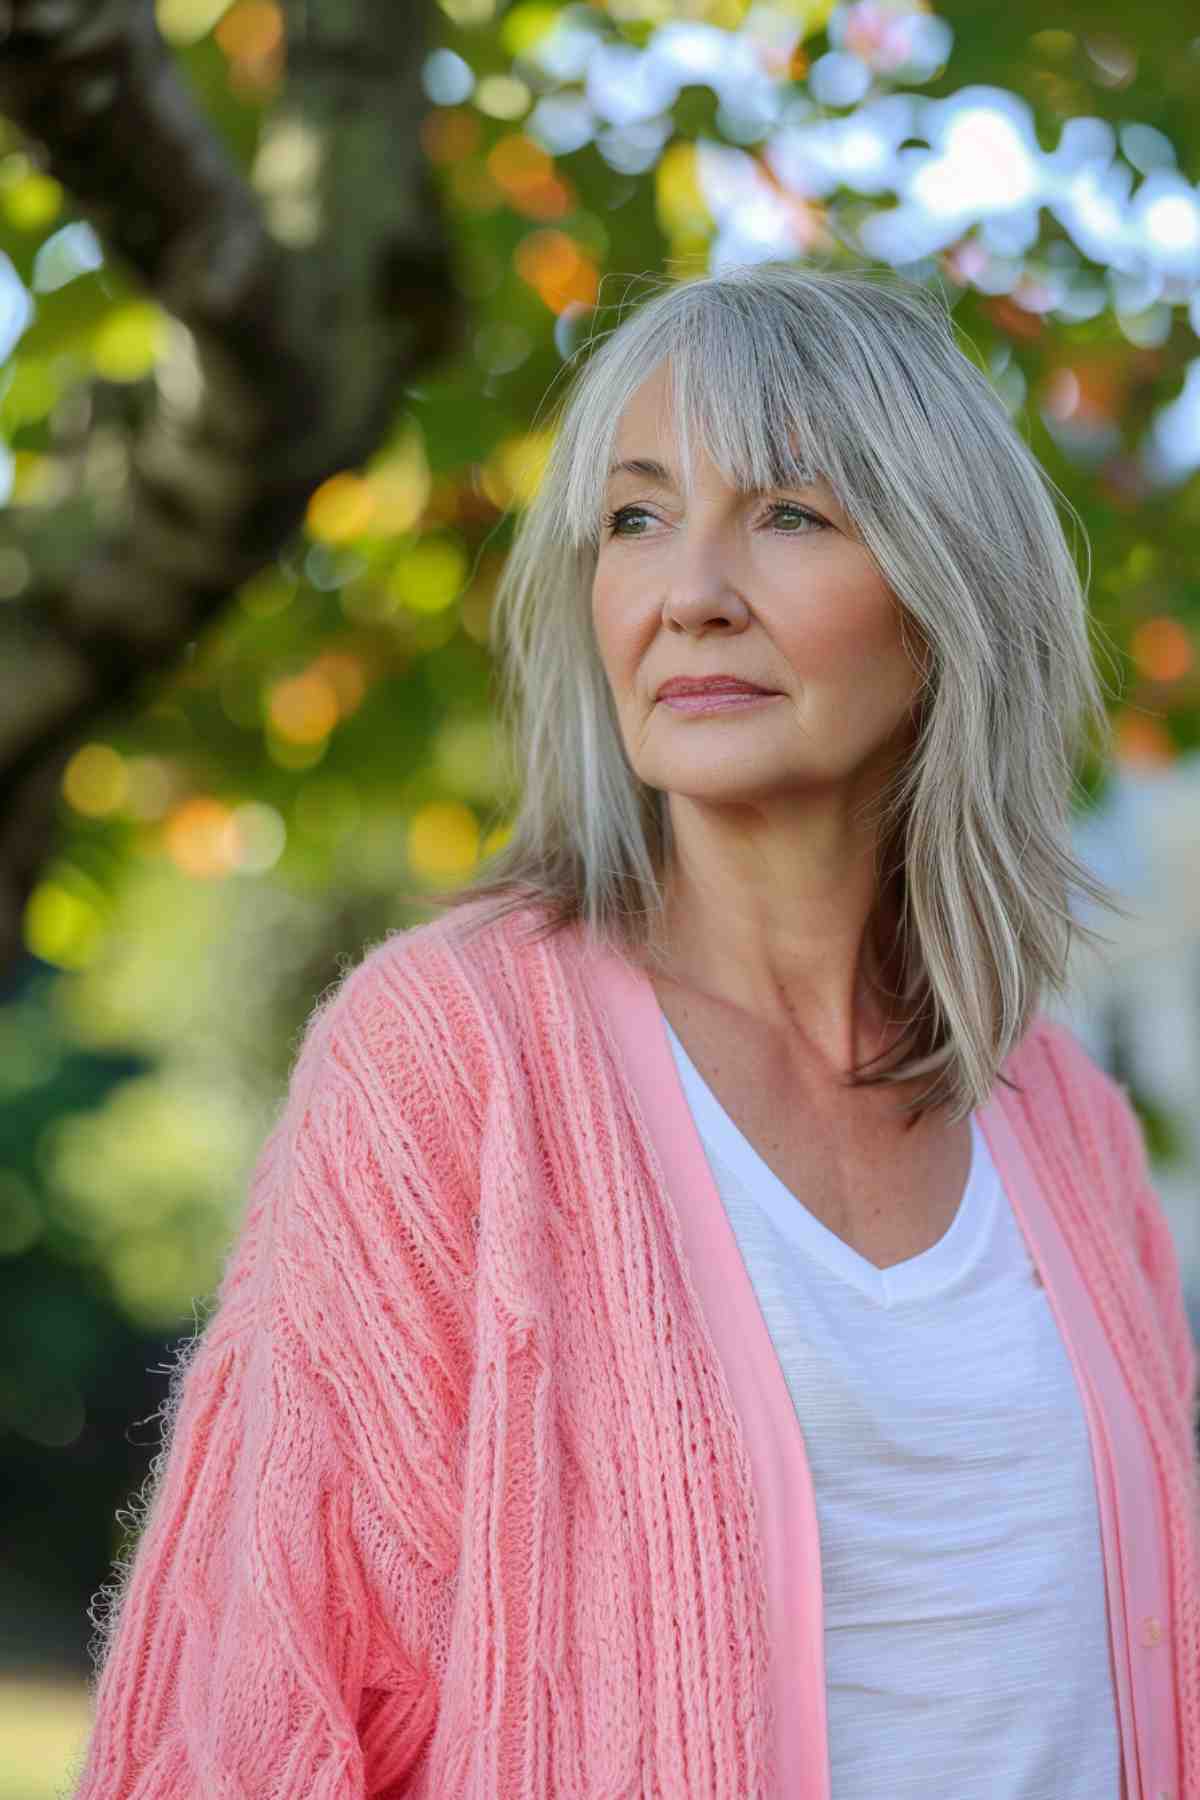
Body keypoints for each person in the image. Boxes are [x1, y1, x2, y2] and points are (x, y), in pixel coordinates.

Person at [71, 264, 1199, 1799]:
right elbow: (261, 1704)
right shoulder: (451, 1058)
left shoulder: (1062, 1115)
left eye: (791, 515)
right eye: (635, 518)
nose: (689, 593)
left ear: (949, 595)